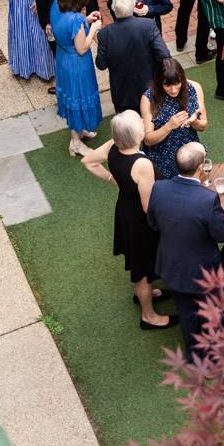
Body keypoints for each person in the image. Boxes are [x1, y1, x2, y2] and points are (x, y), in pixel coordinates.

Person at [81, 110, 180, 331]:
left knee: (139, 263)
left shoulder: (112, 146)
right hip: (139, 221)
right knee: (143, 270)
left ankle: (145, 293)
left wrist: (111, 178)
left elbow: (88, 161)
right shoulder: (141, 165)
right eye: (140, 121)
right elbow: (148, 206)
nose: (144, 121)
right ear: (135, 134)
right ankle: (149, 316)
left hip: (124, 210)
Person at [147, 141, 224, 362]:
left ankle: (194, 356)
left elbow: (153, 223)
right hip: (206, 272)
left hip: (173, 266)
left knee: (187, 313)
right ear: (200, 166)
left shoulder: (159, 188)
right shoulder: (208, 199)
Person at [49, 0, 103, 157]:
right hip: (76, 64)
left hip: (63, 57)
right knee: (78, 97)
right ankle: (76, 142)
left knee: (73, 97)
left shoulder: (56, 5)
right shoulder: (76, 19)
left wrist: (86, 21)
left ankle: (80, 130)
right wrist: (93, 28)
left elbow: (65, 31)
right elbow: (82, 48)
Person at [96, 0, 169, 112]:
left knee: (127, 130)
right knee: (152, 127)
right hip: (149, 89)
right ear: (133, 7)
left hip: (122, 94)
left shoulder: (105, 34)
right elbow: (165, 55)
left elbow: (101, 64)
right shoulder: (148, 25)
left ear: (114, 9)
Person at [141, 58, 208, 178]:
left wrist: (194, 122)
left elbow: (203, 125)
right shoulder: (148, 99)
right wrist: (169, 126)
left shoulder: (194, 88)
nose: (173, 90)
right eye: (167, 85)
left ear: (182, 78)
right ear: (159, 82)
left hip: (189, 154)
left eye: (177, 83)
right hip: (162, 157)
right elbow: (148, 140)